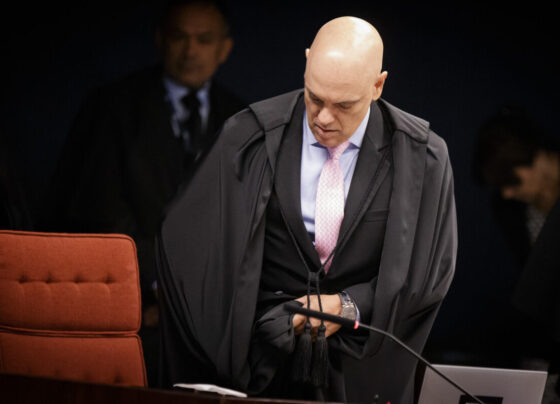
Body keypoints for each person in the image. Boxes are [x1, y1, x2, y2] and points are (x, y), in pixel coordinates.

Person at [157, 16, 457, 404]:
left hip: (358, 369)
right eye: (314, 97)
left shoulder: (421, 157)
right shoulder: (248, 138)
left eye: (343, 105)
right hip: (259, 362)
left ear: (378, 86)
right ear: (306, 62)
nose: (324, 118)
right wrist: (251, 323)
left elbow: (425, 272)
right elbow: (185, 248)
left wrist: (345, 305)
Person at [41, 0, 245, 386]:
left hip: (213, 322)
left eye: (204, 40)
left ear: (224, 48)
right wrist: (158, 284)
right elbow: (99, 208)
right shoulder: (111, 107)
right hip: (127, 306)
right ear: (160, 40)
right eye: (180, 37)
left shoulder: (241, 119)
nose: (191, 50)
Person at [474, 106, 560, 402]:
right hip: (542, 345)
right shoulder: (510, 210)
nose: (507, 193)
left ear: (539, 159)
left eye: (512, 180)